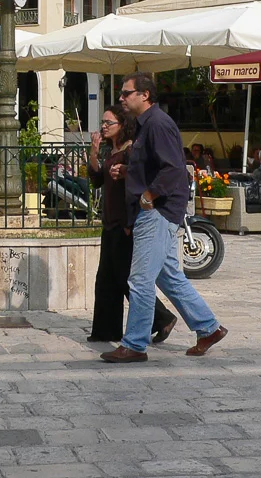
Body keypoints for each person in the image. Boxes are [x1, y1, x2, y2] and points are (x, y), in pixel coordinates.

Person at [101, 74, 227, 363]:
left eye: (126, 93)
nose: (121, 98)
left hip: (156, 212)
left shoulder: (158, 124)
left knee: (140, 280)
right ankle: (208, 328)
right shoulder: (147, 126)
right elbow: (151, 163)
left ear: (145, 95)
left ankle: (134, 344)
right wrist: (128, 171)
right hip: (156, 211)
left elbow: (172, 169)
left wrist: (148, 196)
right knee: (169, 277)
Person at [87, 107, 176, 345]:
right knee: (106, 278)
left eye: (109, 122)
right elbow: (96, 180)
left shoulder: (130, 151)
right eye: (102, 122)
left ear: (121, 124)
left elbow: (134, 189)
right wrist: (93, 153)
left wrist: (129, 221)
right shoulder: (111, 150)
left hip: (125, 222)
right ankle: (106, 330)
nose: (104, 126)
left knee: (127, 277)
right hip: (110, 221)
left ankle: (162, 318)